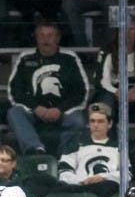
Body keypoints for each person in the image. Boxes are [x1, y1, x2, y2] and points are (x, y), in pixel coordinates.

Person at [6, 20, 89, 155]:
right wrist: (36, 107)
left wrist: (59, 109)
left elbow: (81, 91)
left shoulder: (70, 58)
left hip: (63, 111)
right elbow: (15, 91)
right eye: (42, 36)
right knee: (14, 113)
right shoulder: (25, 57)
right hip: (35, 110)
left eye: (50, 35)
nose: (46, 40)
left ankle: (65, 157)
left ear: (58, 38)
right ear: (36, 38)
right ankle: (35, 150)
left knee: (77, 120)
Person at [58, 102, 121, 197]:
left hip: (104, 187)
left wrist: (103, 177)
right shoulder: (77, 144)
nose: (96, 125)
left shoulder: (118, 147)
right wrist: (81, 181)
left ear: (110, 124)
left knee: (107, 186)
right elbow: (64, 171)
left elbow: (126, 173)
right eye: (92, 121)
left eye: (100, 121)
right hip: (78, 186)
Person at [92, 19, 135, 123]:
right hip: (113, 93)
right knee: (105, 103)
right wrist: (117, 92)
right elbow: (103, 81)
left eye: (131, 29)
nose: (126, 33)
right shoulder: (108, 51)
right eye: (122, 29)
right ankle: (110, 138)